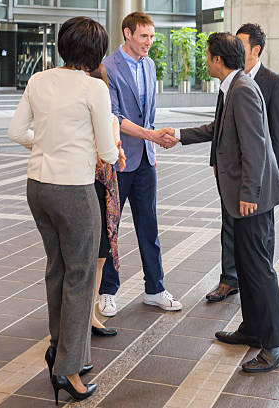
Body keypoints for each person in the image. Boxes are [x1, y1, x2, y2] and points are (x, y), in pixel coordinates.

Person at [162, 33, 279, 372]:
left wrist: (249, 193)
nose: (206, 61)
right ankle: (252, 329)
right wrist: (179, 136)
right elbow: (220, 128)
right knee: (247, 268)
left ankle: (278, 342)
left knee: (260, 270)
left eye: (208, 56)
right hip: (242, 197)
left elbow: (256, 147)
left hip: (253, 200)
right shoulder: (235, 87)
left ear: (219, 59)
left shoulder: (243, 90)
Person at [8, 16, 119, 404]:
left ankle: (60, 350)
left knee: (57, 269)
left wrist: (47, 146)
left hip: (37, 187)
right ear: (96, 52)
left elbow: (17, 132)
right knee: (81, 276)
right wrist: (98, 150)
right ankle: (69, 369)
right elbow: (107, 151)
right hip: (73, 190)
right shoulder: (94, 88)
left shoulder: (39, 79)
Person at [98, 11, 182, 316]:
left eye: (152, 36)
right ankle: (107, 290)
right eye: (144, 36)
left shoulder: (149, 65)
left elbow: (149, 112)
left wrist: (152, 146)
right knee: (110, 228)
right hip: (119, 160)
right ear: (128, 34)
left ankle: (155, 288)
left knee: (149, 226)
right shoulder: (108, 67)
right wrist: (152, 136)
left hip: (145, 160)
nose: (149, 42)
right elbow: (115, 118)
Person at [89, 64, 127, 337]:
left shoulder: (109, 118)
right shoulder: (107, 119)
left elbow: (114, 154)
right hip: (94, 189)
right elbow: (111, 154)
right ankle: (84, 317)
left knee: (98, 257)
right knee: (94, 257)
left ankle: (87, 315)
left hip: (99, 190)